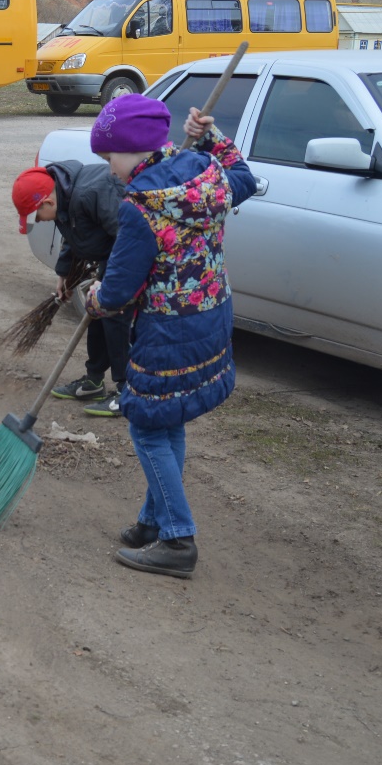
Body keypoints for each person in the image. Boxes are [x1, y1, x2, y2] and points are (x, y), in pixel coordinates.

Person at [84, 95, 257, 579]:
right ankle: (152, 520)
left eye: (110, 158)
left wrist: (93, 297)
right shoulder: (205, 172)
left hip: (167, 331)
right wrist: (212, 138)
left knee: (145, 426)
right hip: (212, 317)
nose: (109, 169)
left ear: (133, 152)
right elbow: (241, 175)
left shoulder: (141, 208)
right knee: (168, 420)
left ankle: (178, 539)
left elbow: (117, 292)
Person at [12, 162, 130, 417]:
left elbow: (128, 236)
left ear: (48, 203)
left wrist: (111, 278)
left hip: (126, 254)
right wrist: (64, 274)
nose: (40, 221)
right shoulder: (64, 197)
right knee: (96, 311)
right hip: (111, 253)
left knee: (114, 316)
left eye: (37, 216)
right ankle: (94, 380)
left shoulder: (92, 192)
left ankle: (127, 390)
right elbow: (73, 235)